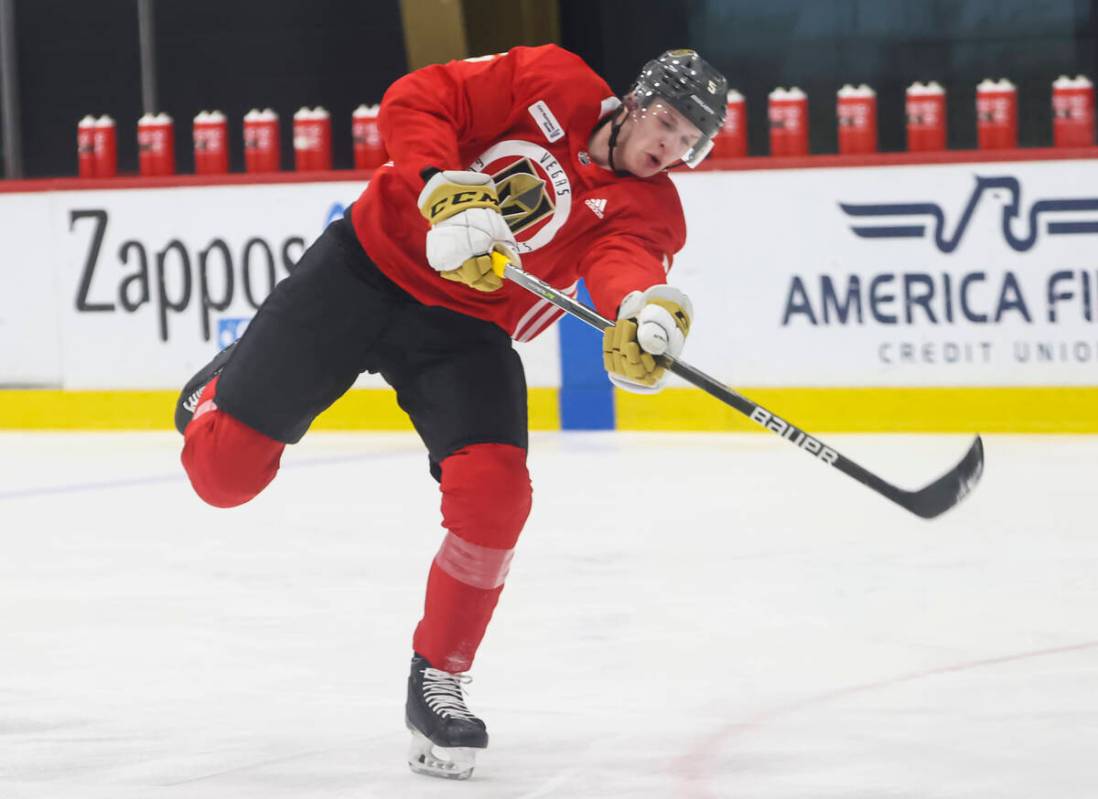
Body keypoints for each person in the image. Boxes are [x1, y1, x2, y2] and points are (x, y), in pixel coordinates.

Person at [174, 45, 727, 780]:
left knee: (498, 494)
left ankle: (439, 676)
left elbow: (628, 261)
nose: (668, 148)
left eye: (688, 142)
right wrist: (446, 188)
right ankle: (220, 391)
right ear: (633, 100)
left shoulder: (652, 208)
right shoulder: (549, 77)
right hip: (362, 267)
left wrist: (642, 311)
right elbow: (417, 98)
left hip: (464, 331)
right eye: (665, 122)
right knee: (221, 475)